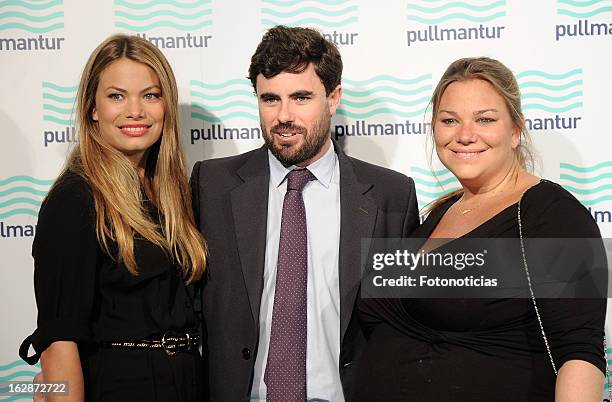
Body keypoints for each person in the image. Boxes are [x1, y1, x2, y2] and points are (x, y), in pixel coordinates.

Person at [352, 57, 607, 401]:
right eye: (449, 120)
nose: (465, 135)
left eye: (485, 119)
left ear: (515, 130)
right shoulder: (440, 212)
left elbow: (579, 355)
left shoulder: (552, 213)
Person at [190, 25, 420, 401]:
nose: (283, 116)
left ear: (333, 98)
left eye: (300, 97)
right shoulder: (212, 186)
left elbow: (404, 325)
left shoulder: (391, 195)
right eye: (269, 99)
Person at [19, 34, 207, 402]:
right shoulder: (75, 200)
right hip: (120, 387)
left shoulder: (173, 195)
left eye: (150, 95)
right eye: (116, 96)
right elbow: (59, 341)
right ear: (92, 107)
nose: (135, 111)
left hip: (188, 385)